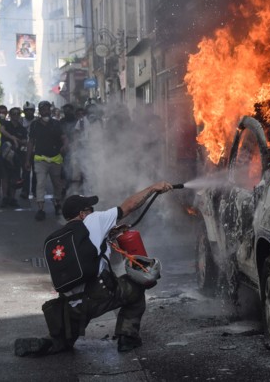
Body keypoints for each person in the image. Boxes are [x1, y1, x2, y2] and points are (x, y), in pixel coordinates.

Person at [14, 181, 174, 357]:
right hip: (97, 297)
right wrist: (152, 188)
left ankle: (46, 344)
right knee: (135, 288)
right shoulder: (94, 220)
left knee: (63, 343)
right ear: (82, 214)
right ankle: (128, 338)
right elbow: (128, 207)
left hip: (71, 305)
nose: (93, 211)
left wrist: (109, 235)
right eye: (90, 208)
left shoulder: (60, 237)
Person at [25, 101, 67, 221]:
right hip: (40, 159)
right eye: (43, 109)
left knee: (57, 184)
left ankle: (57, 204)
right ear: (39, 111)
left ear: (50, 110)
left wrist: (65, 145)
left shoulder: (56, 124)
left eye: (47, 109)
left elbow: (64, 137)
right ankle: (41, 209)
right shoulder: (34, 125)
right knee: (40, 184)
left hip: (55, 159)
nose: (45, 111)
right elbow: (31, 142)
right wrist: (27, 160)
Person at [0, 107, 28, 208]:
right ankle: (5, 197)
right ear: (10, 115)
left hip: (17, 156)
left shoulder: (22, 128)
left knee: (15, 177)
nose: (15, 116)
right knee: (5, 177)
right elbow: (1, 130)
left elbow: (25, 141)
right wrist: (13, 138)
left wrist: (18, 141)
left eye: (17, 114)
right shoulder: (6, 124)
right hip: (5, 155)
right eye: (13, 114)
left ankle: (12, 197)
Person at [20, 101, 37, 200]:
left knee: (36, 171)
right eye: (27, 111)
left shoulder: (38, 121)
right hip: (24, 149)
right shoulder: (20, 121)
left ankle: (35, 190)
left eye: (31, 110)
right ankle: (25, 190)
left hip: (36, 149)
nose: (29, 112)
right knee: (25, 171)